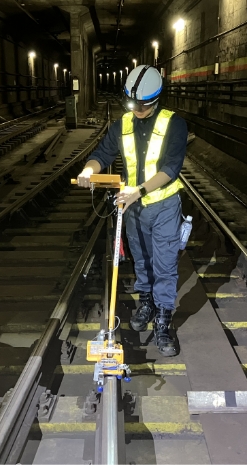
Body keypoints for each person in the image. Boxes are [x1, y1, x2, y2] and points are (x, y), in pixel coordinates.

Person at [76, 65, 188, 357]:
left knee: (165, 265)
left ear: (155, 100)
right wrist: (89, 170)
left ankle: (163, 320)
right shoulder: (122, 125)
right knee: (142, 261)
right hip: (134, 209)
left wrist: (139, 190)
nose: (137, 110)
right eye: (133, 104)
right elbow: (102, 154)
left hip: (163, 205)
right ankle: (147, 303)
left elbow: (171, 168)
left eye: (143, 106)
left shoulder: (174, 124)